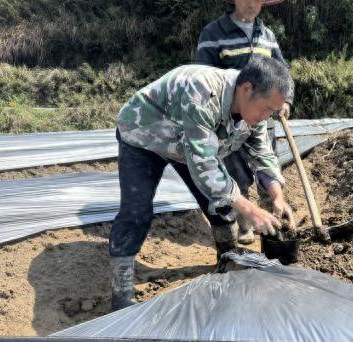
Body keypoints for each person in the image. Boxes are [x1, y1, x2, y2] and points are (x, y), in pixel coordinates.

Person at [108, 56, 295, 310]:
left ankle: (226, 259)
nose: (267, 117)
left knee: (221, 201)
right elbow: (204, 164)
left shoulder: (257, 112)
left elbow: (262, 154)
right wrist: (250, 210)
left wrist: (277, 197)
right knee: (136, 211)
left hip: (188, 144)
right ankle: (121, 290)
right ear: (247, 89)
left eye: (272, 112)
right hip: (144, 135)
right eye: (265, 109)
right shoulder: (203, 92)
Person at [196, 0, 292, 244]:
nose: (252, 4)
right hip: (227, 119)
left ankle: (274, 221)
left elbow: (282, 72)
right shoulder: (213, 33)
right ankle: (244, 223)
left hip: (261, 115)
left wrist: (284, 102)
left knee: (266, 162)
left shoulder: (267, 35)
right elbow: (204, 77)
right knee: (235, 172)